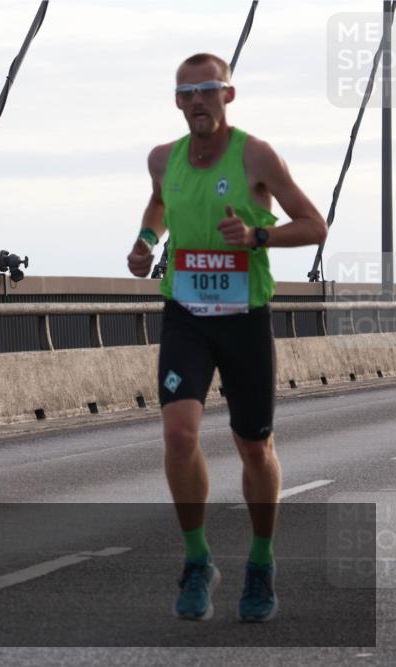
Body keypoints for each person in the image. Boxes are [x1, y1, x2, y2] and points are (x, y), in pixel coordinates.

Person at [127, 53, 328, 622]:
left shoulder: (257, 156)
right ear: (176, 102)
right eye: (187, 93)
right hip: (186, 314)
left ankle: (260, 564)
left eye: (208, 90)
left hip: (243, 316)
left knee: (254, 446)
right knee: (178, 434)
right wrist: (145, 241)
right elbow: (161, 204)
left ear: (228, 96)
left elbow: (315, 225)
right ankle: (198, 562)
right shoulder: (163, 159)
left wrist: (258, 235)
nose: (197, 101)